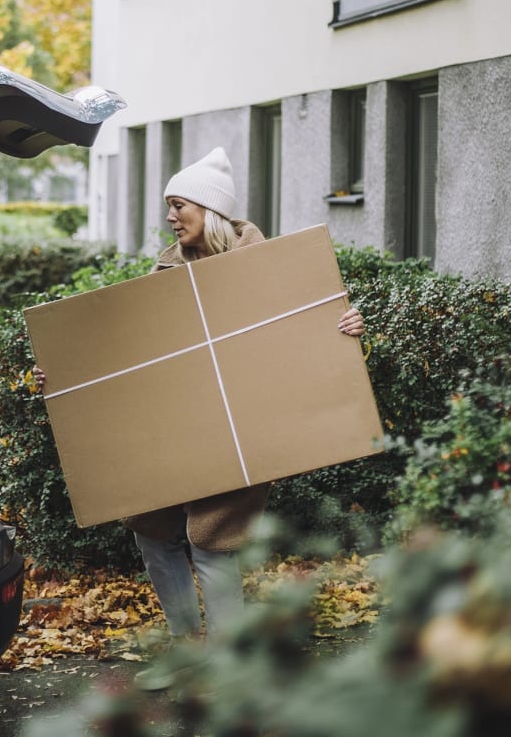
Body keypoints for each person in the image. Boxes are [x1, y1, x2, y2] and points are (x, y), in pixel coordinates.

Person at [38, 146, 366, 691]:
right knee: (149, 523)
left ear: (208, 210)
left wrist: (347, 330)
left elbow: (300, 336)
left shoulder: (265, 267)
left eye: (178, 204)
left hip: (244, 428)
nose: (170, 216)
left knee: (211, 536)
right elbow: (133, 352)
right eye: (168, 205)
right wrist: (67, 380)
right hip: (175, 430)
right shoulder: (165, 268)